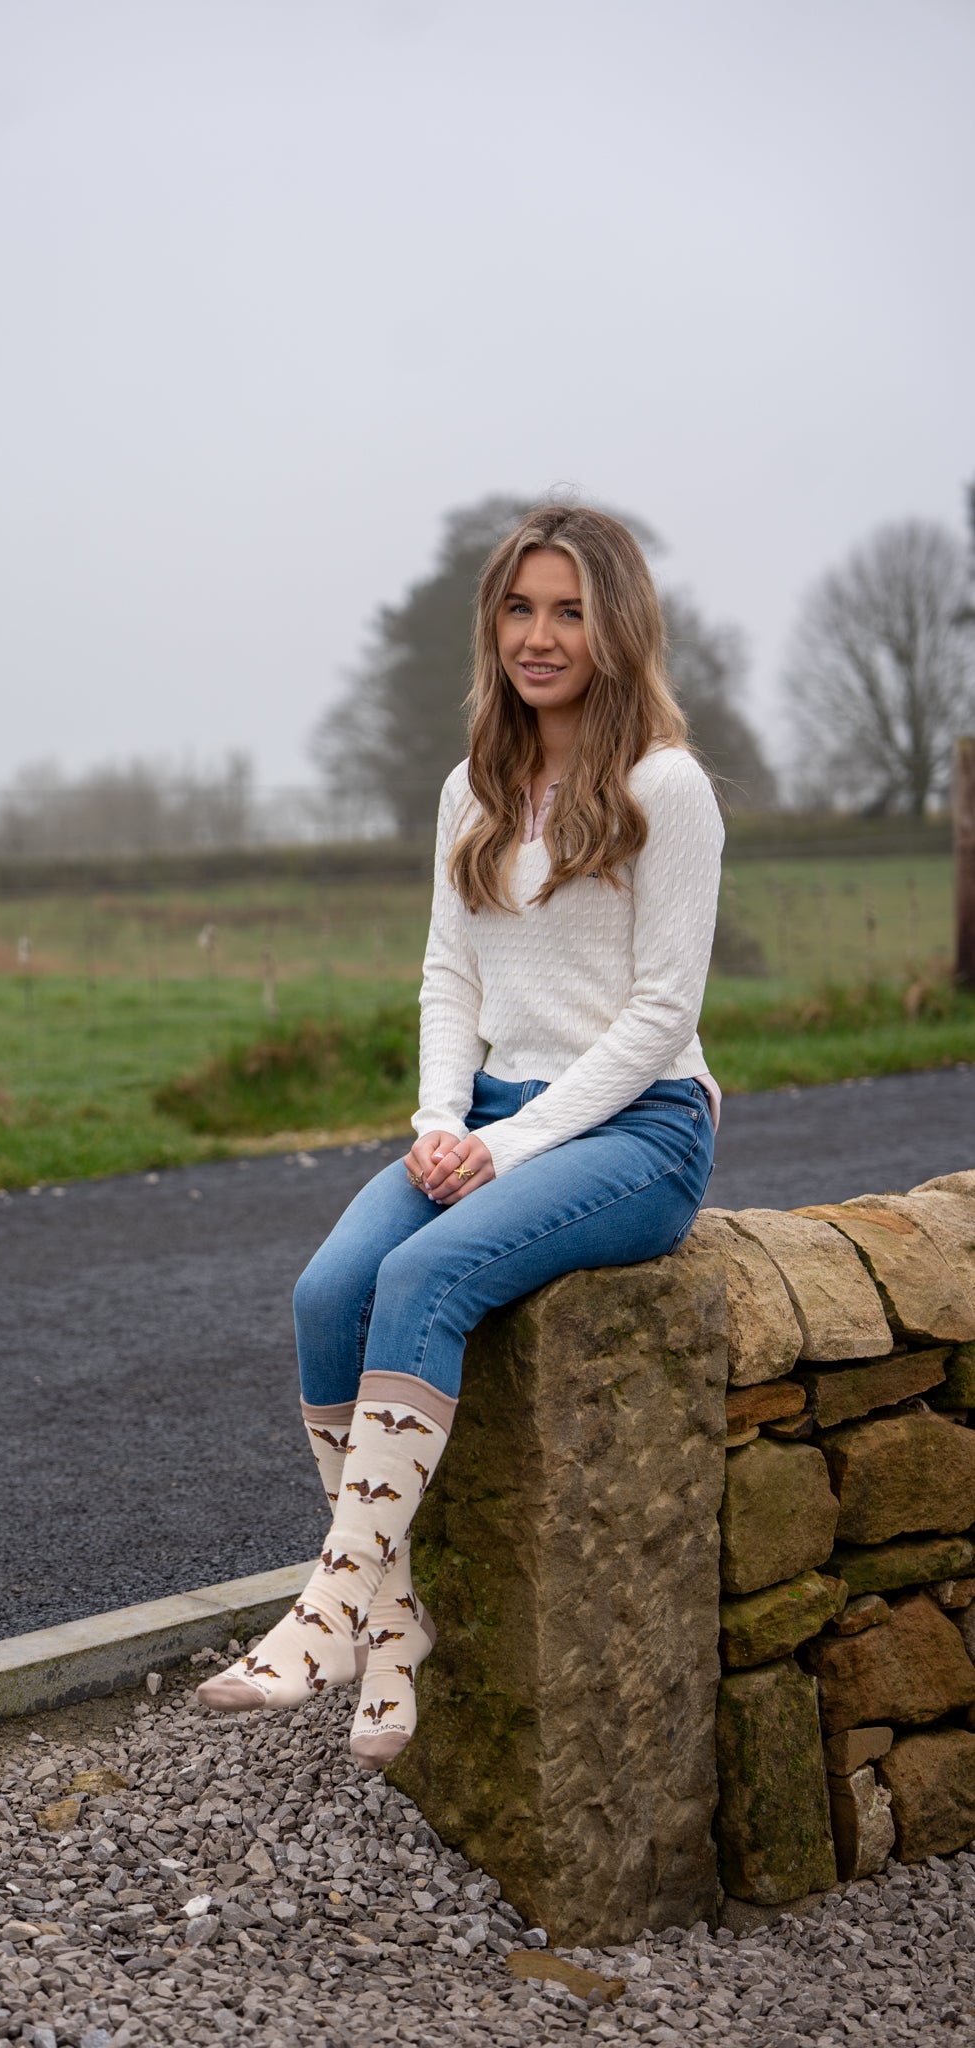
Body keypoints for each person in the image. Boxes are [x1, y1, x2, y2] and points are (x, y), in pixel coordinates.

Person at [197, 503, 722, 1768]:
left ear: (617, 624)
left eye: (569, 610)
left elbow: (663, 1014)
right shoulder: (473, 787)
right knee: (330, 1288)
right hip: (488, 1120)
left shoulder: (666, 785)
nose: (539, 635)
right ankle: (393, 1623)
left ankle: (329, 1606)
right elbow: (451, 980)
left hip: (639, 1134)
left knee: (424, 1273)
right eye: (519, 607)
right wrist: (441, 1120)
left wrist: (509, 1145)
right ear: (494, 623)